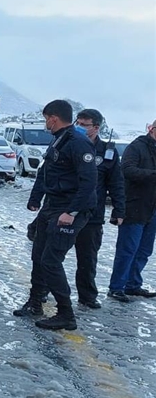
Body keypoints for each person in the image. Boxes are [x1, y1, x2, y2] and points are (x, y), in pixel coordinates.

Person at [13, 100, 97, 330]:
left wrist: (72, 212)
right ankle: (35, 302)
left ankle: (66, 314)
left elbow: (89, 182)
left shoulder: (78, 143)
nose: (45, 123)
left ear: (53, 118)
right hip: (52, 205)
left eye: (46, 119)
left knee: (51, 260)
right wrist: (35, 198)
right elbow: (45, 171)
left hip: (69, 209)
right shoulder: (60, 139)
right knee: (38, 256)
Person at [71, 109, 125, 308]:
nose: (80, 127)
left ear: (96, 127)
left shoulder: (107, 152)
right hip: (66, 209)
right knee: (51, 256)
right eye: (78, 123)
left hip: (92, 214)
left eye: (84, 125)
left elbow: (116, 183)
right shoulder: (70, 144)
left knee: (88, 258)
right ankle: (42, 292)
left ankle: (87, 296)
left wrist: (119, 210)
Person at [106, 120, 156, 302]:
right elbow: (127, 170)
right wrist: (153, 174)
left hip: (153, 208)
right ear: (151, 129)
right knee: (128, 249)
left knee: (144, 250)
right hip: (134, 205)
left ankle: (133, 284)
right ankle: (116, 287)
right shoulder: (137, 147)